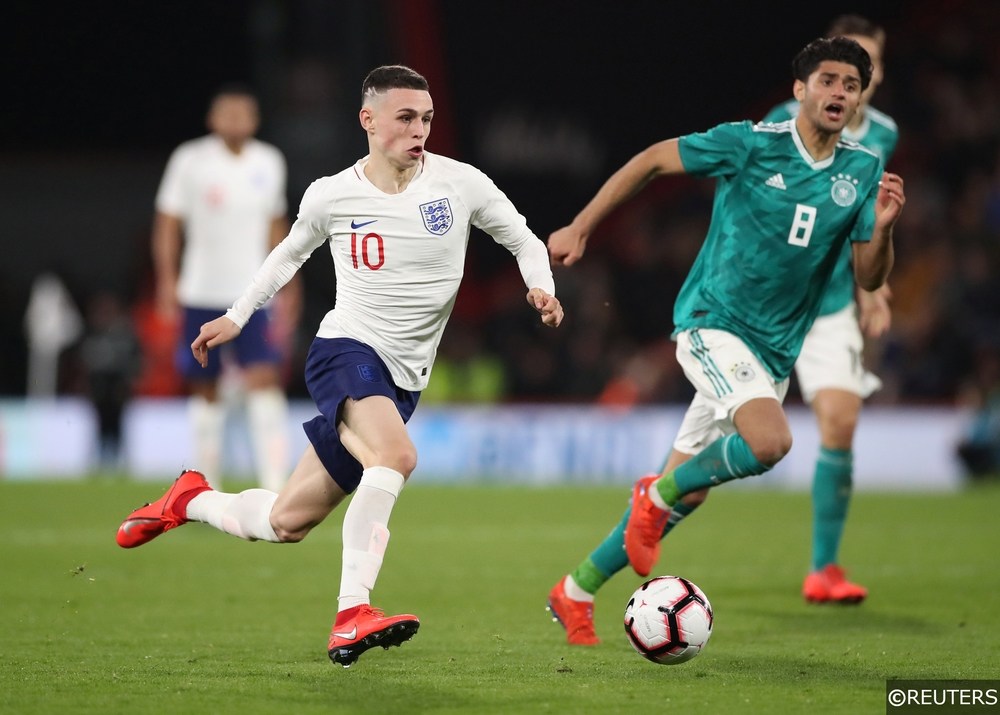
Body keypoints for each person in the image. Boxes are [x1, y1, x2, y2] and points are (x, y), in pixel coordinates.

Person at [117, 65, 564, 668]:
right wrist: (237, 316)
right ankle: (353, 610)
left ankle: (189, 500)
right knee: (398, 457)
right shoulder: (332, 193)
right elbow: (284, 257)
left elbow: (525, 240)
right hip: (346, 353)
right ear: (368, 120)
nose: (419, 130)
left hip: (402, 382)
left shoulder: (461, 184)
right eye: (405, 117)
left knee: (286, 521)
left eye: (426, 118)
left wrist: (541, 287)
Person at [545, 37, 905, 645]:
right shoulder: (752, 143)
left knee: (691, 494)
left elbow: (869, 273)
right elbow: (655, 159)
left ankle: (575, 589)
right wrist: (582, 225)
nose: (839, 92)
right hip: (713, 324)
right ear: (800, 91)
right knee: (769, 442)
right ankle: (655, 494)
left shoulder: (863, 169)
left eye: (851, 83)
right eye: (828, 80)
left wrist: (886, 230)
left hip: (773, 350)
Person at [761, 15, 898, 604]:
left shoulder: (883, 135)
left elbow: (865, 217)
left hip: (831, 301)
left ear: (876, 75)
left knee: (840, 423)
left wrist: (873, 288)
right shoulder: (774, 126)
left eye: (865, 67)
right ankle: (655, 511)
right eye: (837, 73)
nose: (847, 84)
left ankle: (823, 569)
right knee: (717, 441)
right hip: (761, 307)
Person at [152, 85, 295, 491]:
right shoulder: (190, 160)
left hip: (254, 294)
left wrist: (289, 285)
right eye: (226, 113)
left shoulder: (269, 161)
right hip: (200, 291)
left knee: (264, 381)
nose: (235, 120)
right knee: (205, 388)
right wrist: (167, 278)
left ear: (255, 120)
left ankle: (273, 487)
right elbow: (167, 223)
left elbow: (278, 229)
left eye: (243, 113)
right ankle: (206, 486)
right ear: (212, 119)